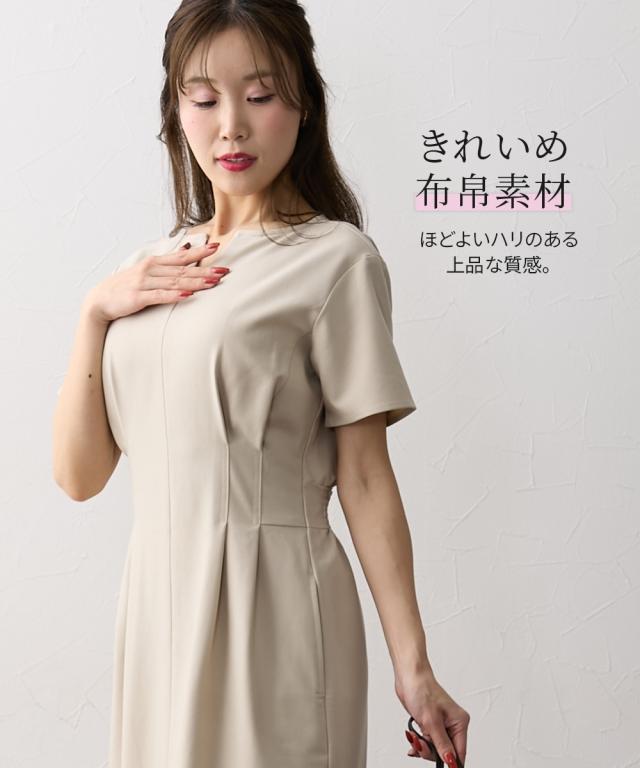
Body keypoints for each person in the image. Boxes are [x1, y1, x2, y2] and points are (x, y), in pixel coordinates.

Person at [52, 2, 470, 766]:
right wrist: (94, 311)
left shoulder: (336, 260)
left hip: (274, 604)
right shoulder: (146, 272)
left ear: (303, 104)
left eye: (260, 95)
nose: (231, 127)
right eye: (204, 98)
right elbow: (79, 478)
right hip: (156, 615)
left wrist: (414, 669)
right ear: (175, 110)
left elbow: (366, 476)